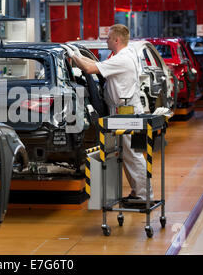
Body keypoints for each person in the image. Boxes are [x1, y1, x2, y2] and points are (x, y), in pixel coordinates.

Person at [60, 24, 153, 206]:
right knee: (128, 155)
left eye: (108, 38)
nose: (106, 40)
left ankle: (144, 196)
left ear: (117, 40)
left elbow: (89, 68)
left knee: (133, 155)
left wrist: (72, 55)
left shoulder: (122, 59)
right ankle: (137, 192)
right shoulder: (125, 54)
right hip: (124, 110)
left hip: (126, 112)